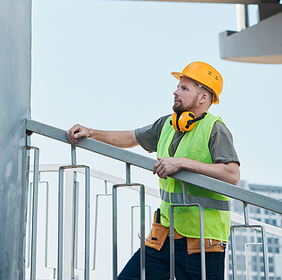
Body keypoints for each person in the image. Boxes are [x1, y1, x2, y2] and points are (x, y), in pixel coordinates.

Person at [66, 61, 240, 280]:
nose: (175, 92)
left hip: (203, 240)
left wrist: (182, 162)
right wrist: (91, 132)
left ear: (203, 97)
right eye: (178, 86)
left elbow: (232, 175)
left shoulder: (215, 129)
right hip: (166, 233)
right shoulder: (167, 124)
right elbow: (131, 138)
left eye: (184, 88)